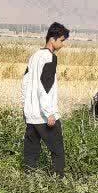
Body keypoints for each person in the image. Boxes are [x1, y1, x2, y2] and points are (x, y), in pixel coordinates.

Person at [22, 22, 69, 176]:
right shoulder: (50, 58)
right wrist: (49, 113)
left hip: (31, 113)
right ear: (52, 39)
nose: (62, 44)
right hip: (44, 115)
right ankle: (58, 181)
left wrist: (25, 107)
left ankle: (28, 179)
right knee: (58, 151)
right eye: (61, 40)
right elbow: (45, 87)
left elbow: (25, 82)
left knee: (31, 151)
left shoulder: (34, 56)